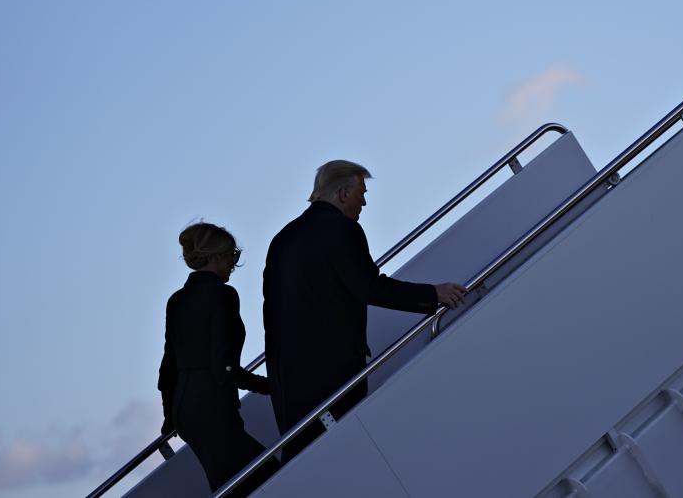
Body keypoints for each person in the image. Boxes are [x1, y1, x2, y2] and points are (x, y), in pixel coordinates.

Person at [263, 160, 467, 461]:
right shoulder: (342, 229)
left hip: (288, 380)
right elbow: (369, 287)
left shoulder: (282, 240)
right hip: (332, 373)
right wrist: (432, 293)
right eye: (362, 192)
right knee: (347, 456)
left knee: (307, 462)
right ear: (343, 193)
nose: (365, 201)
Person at [158, 221, 276, 495]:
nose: (234, 263)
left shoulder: (177, 300)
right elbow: (223, 365)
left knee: (231, 481)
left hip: (185, 409)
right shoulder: (222, 295)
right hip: (212, 405)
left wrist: (169, 415)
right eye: (232, 255)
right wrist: (270, 386)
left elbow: (169, 366)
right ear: (215, 257)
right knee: (264, 474)